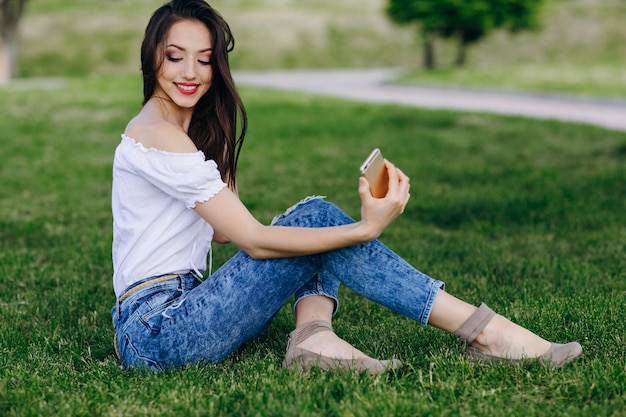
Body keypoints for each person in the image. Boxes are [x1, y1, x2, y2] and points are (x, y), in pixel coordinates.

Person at [111, 0, 582, 373]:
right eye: (175, 57)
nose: (190, 73)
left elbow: (221, 232)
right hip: (157, 331)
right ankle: (485, 332)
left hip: (177, 310)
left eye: (205, 60)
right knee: (317, 221)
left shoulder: (181, 131)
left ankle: (315, 338)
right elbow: (252, 239)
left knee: (312, 215)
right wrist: (362, 230)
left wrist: (214, 132)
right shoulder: (156, 135)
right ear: (152, 56)